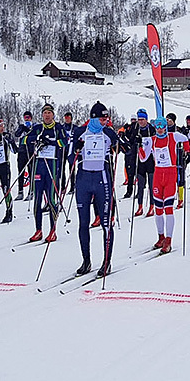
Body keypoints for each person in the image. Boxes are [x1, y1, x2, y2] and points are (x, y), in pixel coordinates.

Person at [70, 102, 120, 276]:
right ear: (93, 118)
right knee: (83, 223)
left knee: (106, 223)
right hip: (83, 180)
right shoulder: (79, 132)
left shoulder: (108, 132)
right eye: (102, 118)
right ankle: (86, 261)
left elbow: (124, 149)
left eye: (106, 118)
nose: (106, 121)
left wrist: (121, 144)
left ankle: (107, 262)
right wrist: (77, 149)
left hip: (102, 179)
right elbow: (70, 159)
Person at [141, 118, 188, 253]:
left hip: (170, 173)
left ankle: (168, 240)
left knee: (168, 209)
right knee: (158, 209)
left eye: (162, 127)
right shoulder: (152, 139)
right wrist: (140, 147)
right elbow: (143, 158)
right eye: (158, 127)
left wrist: (186, 150)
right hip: (158, 174)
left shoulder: (173, 136)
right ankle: (160, 237)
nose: (160, 129)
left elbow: (185, 138)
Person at [26, 104, 63, 243]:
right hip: (39, 166)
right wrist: (36, 140)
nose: (47, 115)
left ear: (53, 114)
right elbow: (25, 140)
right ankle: (38, 230)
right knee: (37, 199)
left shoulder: (58, 128)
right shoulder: (37, 128)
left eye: (49, 113)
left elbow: (65, 142)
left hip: (52, 166)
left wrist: (52, 142)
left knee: (52, 200)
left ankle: (53, 230)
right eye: (45, 113)